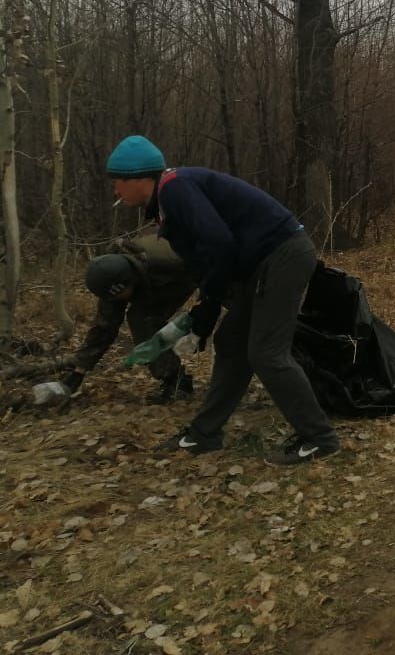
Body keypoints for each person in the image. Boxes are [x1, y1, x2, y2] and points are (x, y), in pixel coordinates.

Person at [106, 135, 340, 465]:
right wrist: (205, 308)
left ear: (139, 178)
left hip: (282, 254)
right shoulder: (169, 197)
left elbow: (218, 243)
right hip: (264, 263)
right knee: (231, 340)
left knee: (267, 353)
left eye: (117, 182)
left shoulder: (174, 188)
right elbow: (209, 254)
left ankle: (320, 438)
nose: (116, 191)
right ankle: (204, 434)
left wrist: (210, 305)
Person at [56, 230, 198, 404]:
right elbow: (105, 326)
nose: (115, 301)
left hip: (193, 269)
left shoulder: (168, 259)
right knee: (141, 319)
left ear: (129, 280)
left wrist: (207, 307)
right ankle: (175, 381)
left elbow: (214, 266)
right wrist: (79, 370)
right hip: (158, 282)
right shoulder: (110, 276)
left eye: (117, 297)